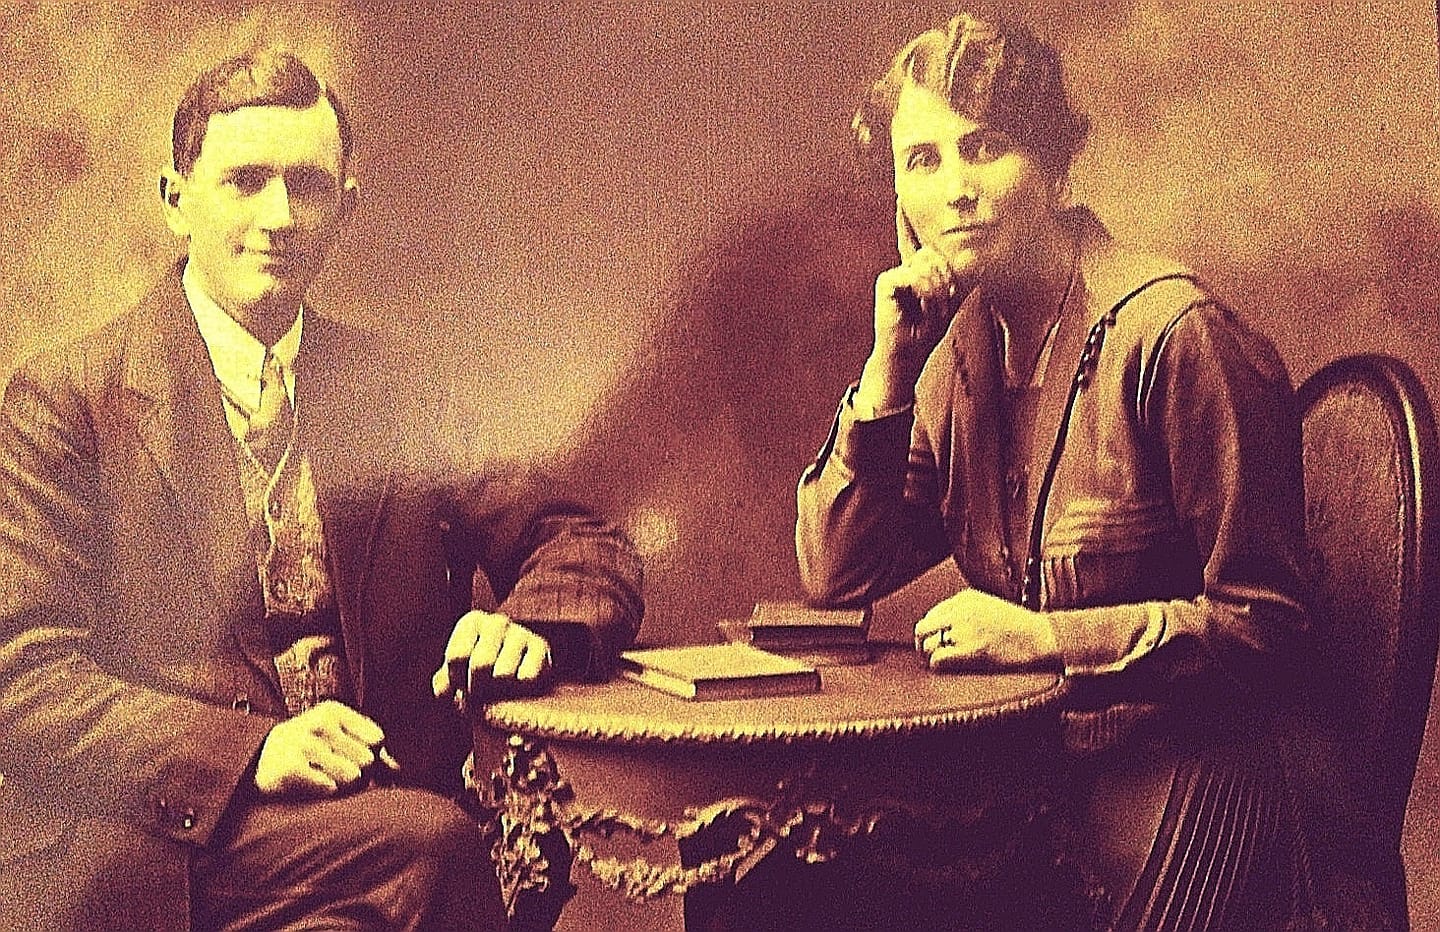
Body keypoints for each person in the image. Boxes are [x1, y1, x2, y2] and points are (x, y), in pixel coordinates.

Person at [0, 48, 643, 932]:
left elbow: (582, 541)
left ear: (347, 204)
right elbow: (23, 680)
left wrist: (527, 624)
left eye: (307, 185)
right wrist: (251, 752)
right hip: (166, 847)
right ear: (174, 200)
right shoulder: (67, 399)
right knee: (439, 846)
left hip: (368, 828)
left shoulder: (397, 389)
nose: (279, 216)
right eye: (246, 181)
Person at [797, 12, 1314, 930]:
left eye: (985, 147)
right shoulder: (959, 358)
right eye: (922, 161)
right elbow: (840, 572)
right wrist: (887, 373)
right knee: (782, 877)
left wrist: (1048, 639)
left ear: (1056, 164)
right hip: (1046, 790)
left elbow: (1271, 634)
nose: (956, 189)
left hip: (1199, 795)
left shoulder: (1175, 334)